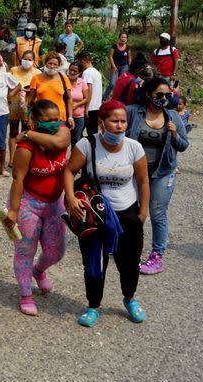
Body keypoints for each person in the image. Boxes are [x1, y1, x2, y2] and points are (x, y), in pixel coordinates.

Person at [63, 100, 150, 328]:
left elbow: (143, 180)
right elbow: (69, 172)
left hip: (128, 214)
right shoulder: (87, 144)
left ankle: (129, 298)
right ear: (102, 123)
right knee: (94, 262)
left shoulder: (133, 147)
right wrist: (71, 198)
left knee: (129, 261)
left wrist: (142, 213)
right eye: (114, 121)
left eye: (123, 121)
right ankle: (93, 306)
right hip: (95, 215)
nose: (120, 126)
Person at [4, 100, 71, 315]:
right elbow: (18, 179)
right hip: (28, 203)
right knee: (25, 250)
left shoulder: (63, 132)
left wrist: (29, 134)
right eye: (47, 120)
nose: (54, 123)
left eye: (56, 118)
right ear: (34, 120)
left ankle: (39, 271)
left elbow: (58, 144)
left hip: (54, 204)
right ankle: (25, 294)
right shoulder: (25, 148)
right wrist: (13, 211)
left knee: (56, 251)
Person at [126, 78, 188, 275]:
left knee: (157, 212)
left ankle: (157, 256)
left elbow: (184, 146)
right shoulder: (133, 112)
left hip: (163, 172)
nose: (163, 98)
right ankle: (126, 246)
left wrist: (175, 134)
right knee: (129, 209)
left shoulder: (173, 118)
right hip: (135, 171)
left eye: (167, 95)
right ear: (148, 94)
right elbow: (115, 128)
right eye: (159, 95)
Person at [7, 50, 40, 167]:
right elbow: (8, 85)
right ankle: (11, 159)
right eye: (25, 58)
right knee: (13, 132)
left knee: (27, 132)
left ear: (34, 61)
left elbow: (38, 90)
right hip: (14, 105)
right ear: (21, 59)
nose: (27, 61)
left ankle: (23, 157)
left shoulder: (37, 73)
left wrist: (26, 90)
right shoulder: (13, 70)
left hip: (29, 106)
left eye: (30, 59)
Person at [27, 52, 73, 128]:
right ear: (45, 63)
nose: (52, 66)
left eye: (55, 64)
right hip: (41, 118)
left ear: (59, 65)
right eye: (50, 63)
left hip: (59, 118)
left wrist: (70, 117)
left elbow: (69, 99)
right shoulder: (36, 78)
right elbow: (30, 100)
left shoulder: (64, 79)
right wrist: (29, 117)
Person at [78, 52, 103, 136]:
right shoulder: (96, 72)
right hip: (96, 106)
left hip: (90, 107)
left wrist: (87, 107)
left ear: (83, 61)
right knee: (93, 131)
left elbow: (89, 90)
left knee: (80, 131)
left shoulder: (87, 73)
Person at [103, 32, 132, 100]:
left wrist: (129, 66)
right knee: (112, 83)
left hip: (124, 67)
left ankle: (119, 98)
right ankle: (104, 98)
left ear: (127, 39)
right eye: (122, 37)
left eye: (125, 37)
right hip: (115, 67)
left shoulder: (127, 47)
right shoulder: (114, 46)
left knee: (122, 84)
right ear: (119, 38)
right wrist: (113, 66)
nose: (123, 38)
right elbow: (110, 56)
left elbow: (129, 57)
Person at [68, 62, 90, 146]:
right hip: (65, 116)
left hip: (79, 117)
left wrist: (76, 105)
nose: (72, 72)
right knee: (65, 139)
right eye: (70, 70)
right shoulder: (64, 81)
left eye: (75, 71)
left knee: (76, 140)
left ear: (79, 73)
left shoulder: (82, 83)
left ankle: (74, 158)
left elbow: (86, 98)